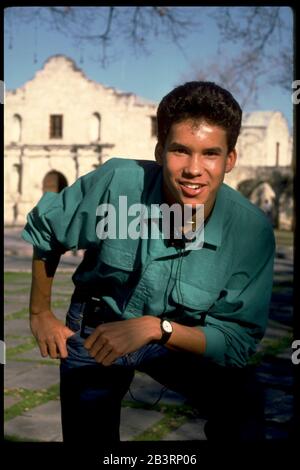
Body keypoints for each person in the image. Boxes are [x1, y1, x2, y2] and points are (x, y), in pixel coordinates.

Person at [21, 81, 275, 444]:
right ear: (159, 151)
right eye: (180, 151)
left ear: (230, 159)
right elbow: (48, 227)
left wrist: (158, 329)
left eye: (210, 154)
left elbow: (236, 341)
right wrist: (39, 314)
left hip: (178, 337)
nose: (193, 169)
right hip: (99, 327)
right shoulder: (118, 183)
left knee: (243, 404)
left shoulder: (250, 232)